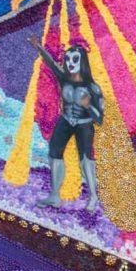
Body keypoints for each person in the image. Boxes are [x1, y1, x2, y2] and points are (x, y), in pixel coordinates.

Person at [26, 34, 104, 209]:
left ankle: (93, 197)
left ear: (82, 61)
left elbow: (99, 118)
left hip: (84, 123)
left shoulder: (92, 87)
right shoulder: (64, 78)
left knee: (86, 159)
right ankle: (54, 195)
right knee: (54, 153)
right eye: (67, 59)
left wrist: (89, 105)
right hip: (66, 119)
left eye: (74, 59)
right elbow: (51, 63)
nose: (70, 63)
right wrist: (38, 46)